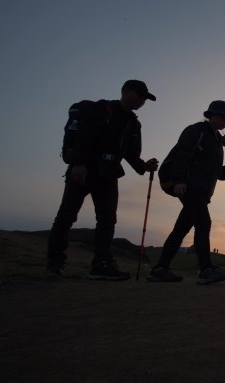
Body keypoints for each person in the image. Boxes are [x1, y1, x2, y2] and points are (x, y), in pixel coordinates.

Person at [45, 80, 159, 280]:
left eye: (145, 98)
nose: (142, 100)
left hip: (108, 174)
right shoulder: (101, 108)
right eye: (139, 95)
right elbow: (84, 137)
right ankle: (54, 264)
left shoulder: (133, 123)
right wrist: (79, 163)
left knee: (107, 220)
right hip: (84, 170)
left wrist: (144, 167)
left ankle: (100, 265)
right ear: (125, 92)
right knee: (67, 216)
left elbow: (131, 154)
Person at [148, 100, 225, 284]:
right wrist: (180, 180)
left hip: (200, 190)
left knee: (181, 229)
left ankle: (160, 269)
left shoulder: (217, 143)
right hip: (188, 185)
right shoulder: (196, 131)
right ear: (211, 115)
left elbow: (219, 174)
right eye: (222, 117)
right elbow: (182, 155)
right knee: (203, 222)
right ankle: (206, 269)